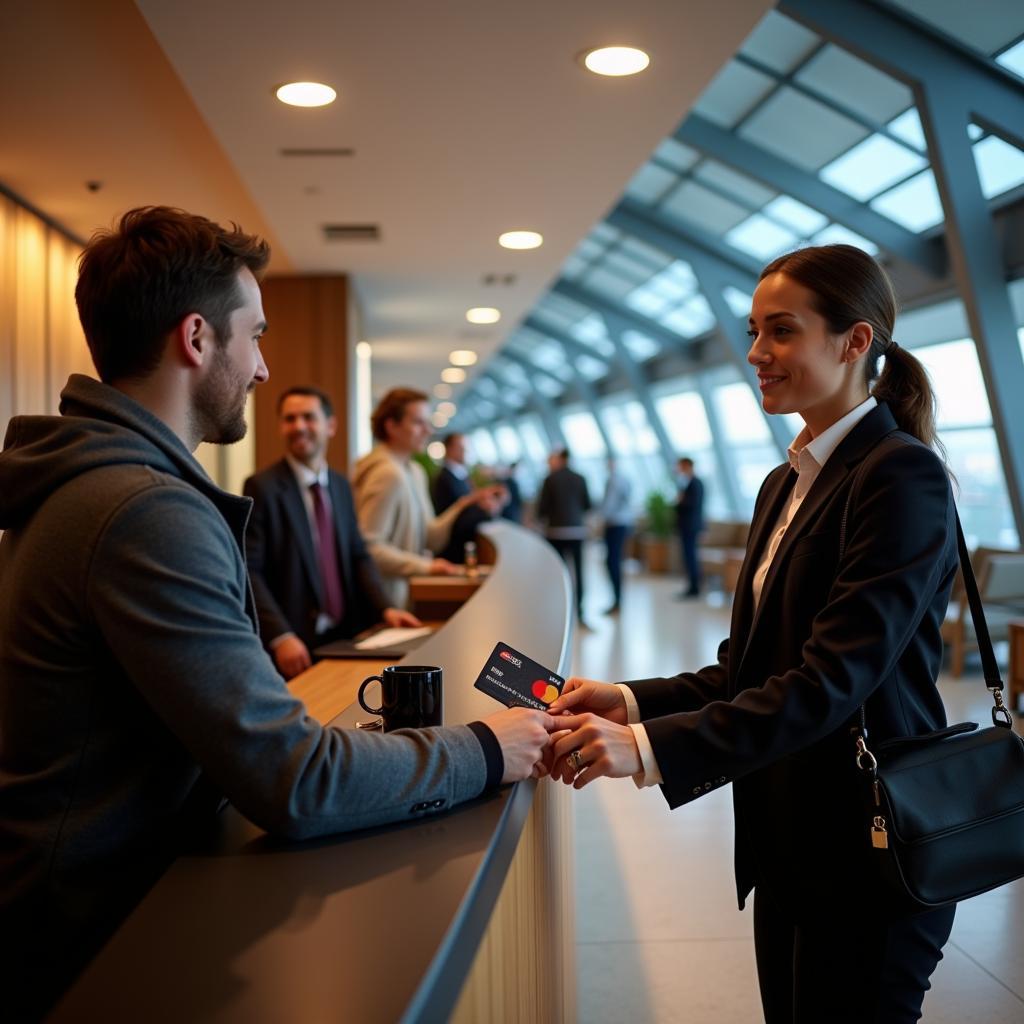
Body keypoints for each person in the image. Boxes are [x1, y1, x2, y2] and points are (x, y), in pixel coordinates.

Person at [0, 207, 557, 1019]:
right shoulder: (144, 511)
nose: (264, 368)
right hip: (96, 940)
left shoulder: (96, 481)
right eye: (254, 335)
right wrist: (482, 748)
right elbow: (295, 780)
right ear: (196, 340)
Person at [546, 244, 959, 1023]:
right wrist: (629, 700)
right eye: (753, 331)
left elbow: (831, 682)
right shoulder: (787, 481)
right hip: (791, 838)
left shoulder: (900, 476)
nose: (755, 354)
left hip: (868, 849)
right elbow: (751, 667)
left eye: (780, 332)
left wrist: (646, 749)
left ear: (855, 342)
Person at [243, 386, 421, 680]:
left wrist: (386, 608)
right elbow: (251, 571)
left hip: (344, 638)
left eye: (308, 417)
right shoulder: (261, 488)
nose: (298, 427)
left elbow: (357, 554)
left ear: (331, 426)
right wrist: (280, 635)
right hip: (294, 643)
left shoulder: (340, 485)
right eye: (290, 419)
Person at [353, 390, 504, 606]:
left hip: (403, 593)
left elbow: (430, 536)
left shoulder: (413, 471)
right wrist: (426, 567)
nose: (428, 430)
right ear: (391, 426)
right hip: (382, 601)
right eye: (418, 423)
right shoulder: (387, 474)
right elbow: (370, 548)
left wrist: (465, 503)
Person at [537, 448, 591, 627]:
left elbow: (542, 509)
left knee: (559, 573)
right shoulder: (580, 478)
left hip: (556, 532)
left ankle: (559, 612)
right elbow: (587, 505)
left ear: (559, 459)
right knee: (579, 572)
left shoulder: (550, 479)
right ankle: (581, 612)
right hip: (577, 530)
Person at [430, 431, 496, 563]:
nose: (466, 451)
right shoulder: (445, 479)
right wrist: (484, 510)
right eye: (462, 448)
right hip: (453, 552)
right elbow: (453, 517)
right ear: (449, 449)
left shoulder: (460, 477)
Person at [600, 457, 633, 614]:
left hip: (614, 525)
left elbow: (609, 505)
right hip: (623, 524)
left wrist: (598, 519)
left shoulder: (613, 481)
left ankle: (617, 600)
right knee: (616, 561)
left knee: (612, 561)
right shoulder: (625, 479)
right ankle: (618, 599)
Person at [674, 456, 704, 598]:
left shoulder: (695, 483)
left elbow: (692, 504)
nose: (679, 469)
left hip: (690, 526)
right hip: (687, 526)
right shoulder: (689, 483)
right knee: (688, 556)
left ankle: (694, 588)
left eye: (681, 466)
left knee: (690, 556)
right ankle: (692, 586)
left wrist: (680, 501)